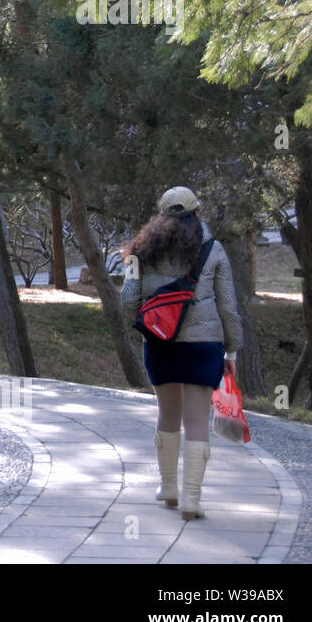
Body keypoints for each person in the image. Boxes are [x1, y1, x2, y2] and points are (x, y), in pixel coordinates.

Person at [120, 186, 243, 521]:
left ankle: (168, 487)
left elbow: (128, 299)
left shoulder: (138, 252)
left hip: (160, 344)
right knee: (197, 420)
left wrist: (149, 316)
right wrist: (232, 348)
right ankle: (192, 498)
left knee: (167, 413)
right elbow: (229, 307)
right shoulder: (213, 250)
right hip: (204, 345)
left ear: (161, 214)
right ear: (196, 213)